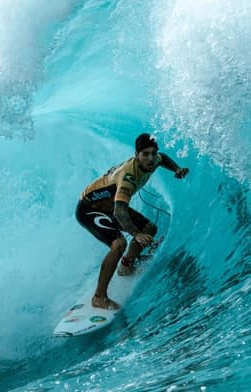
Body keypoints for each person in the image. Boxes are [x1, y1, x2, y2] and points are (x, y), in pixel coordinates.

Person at [76, 133, 189, 310]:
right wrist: (136, 234)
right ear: (137, 155)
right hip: (90, 208)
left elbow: (163, 158)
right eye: (145, 154)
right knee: (119, 243)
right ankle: (99, 297)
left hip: (110, 206)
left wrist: (176, 169)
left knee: (150, 228)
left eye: (153, 153)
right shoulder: (128, 177)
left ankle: (126, 265)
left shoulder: (154, 159)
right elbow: (119, 212)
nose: (151, 158)